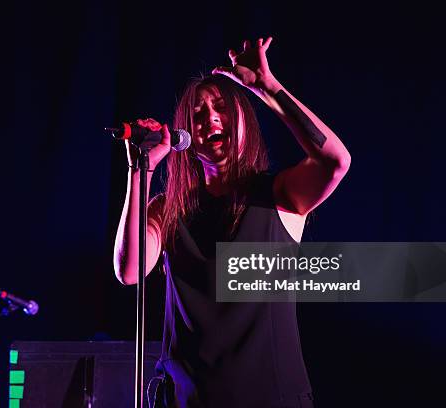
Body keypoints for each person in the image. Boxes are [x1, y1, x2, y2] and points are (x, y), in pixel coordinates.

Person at [113, 37, 351, 408]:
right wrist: (140, 169)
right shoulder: (168, 208)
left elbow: (336, 161)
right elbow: (129, 270)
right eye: (198, 114)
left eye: (221, 107)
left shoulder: (279, 195)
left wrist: (266, 87)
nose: (210, 119)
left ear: (243, 119)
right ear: (185, 136)